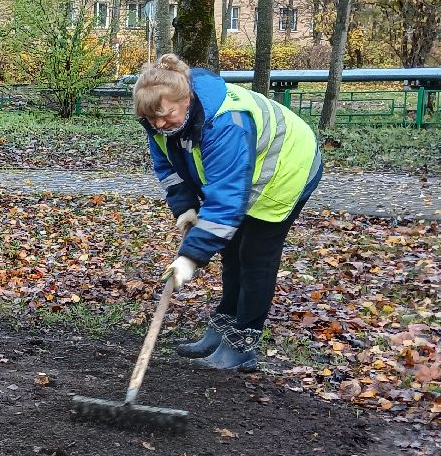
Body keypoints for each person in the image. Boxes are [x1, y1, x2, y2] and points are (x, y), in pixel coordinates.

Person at [134, 54, 323, 371]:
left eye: (166, 116)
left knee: (255, 253)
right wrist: (186, 208)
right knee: (231, 248)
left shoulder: (225, 123)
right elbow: (169, 169)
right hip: (241, 174)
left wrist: (190, 257)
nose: (159, 125)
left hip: (285, 169)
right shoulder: (160, 121)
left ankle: (242, 343)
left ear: (187, 99)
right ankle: (225, 324)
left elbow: (226, 202)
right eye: (152, 119)